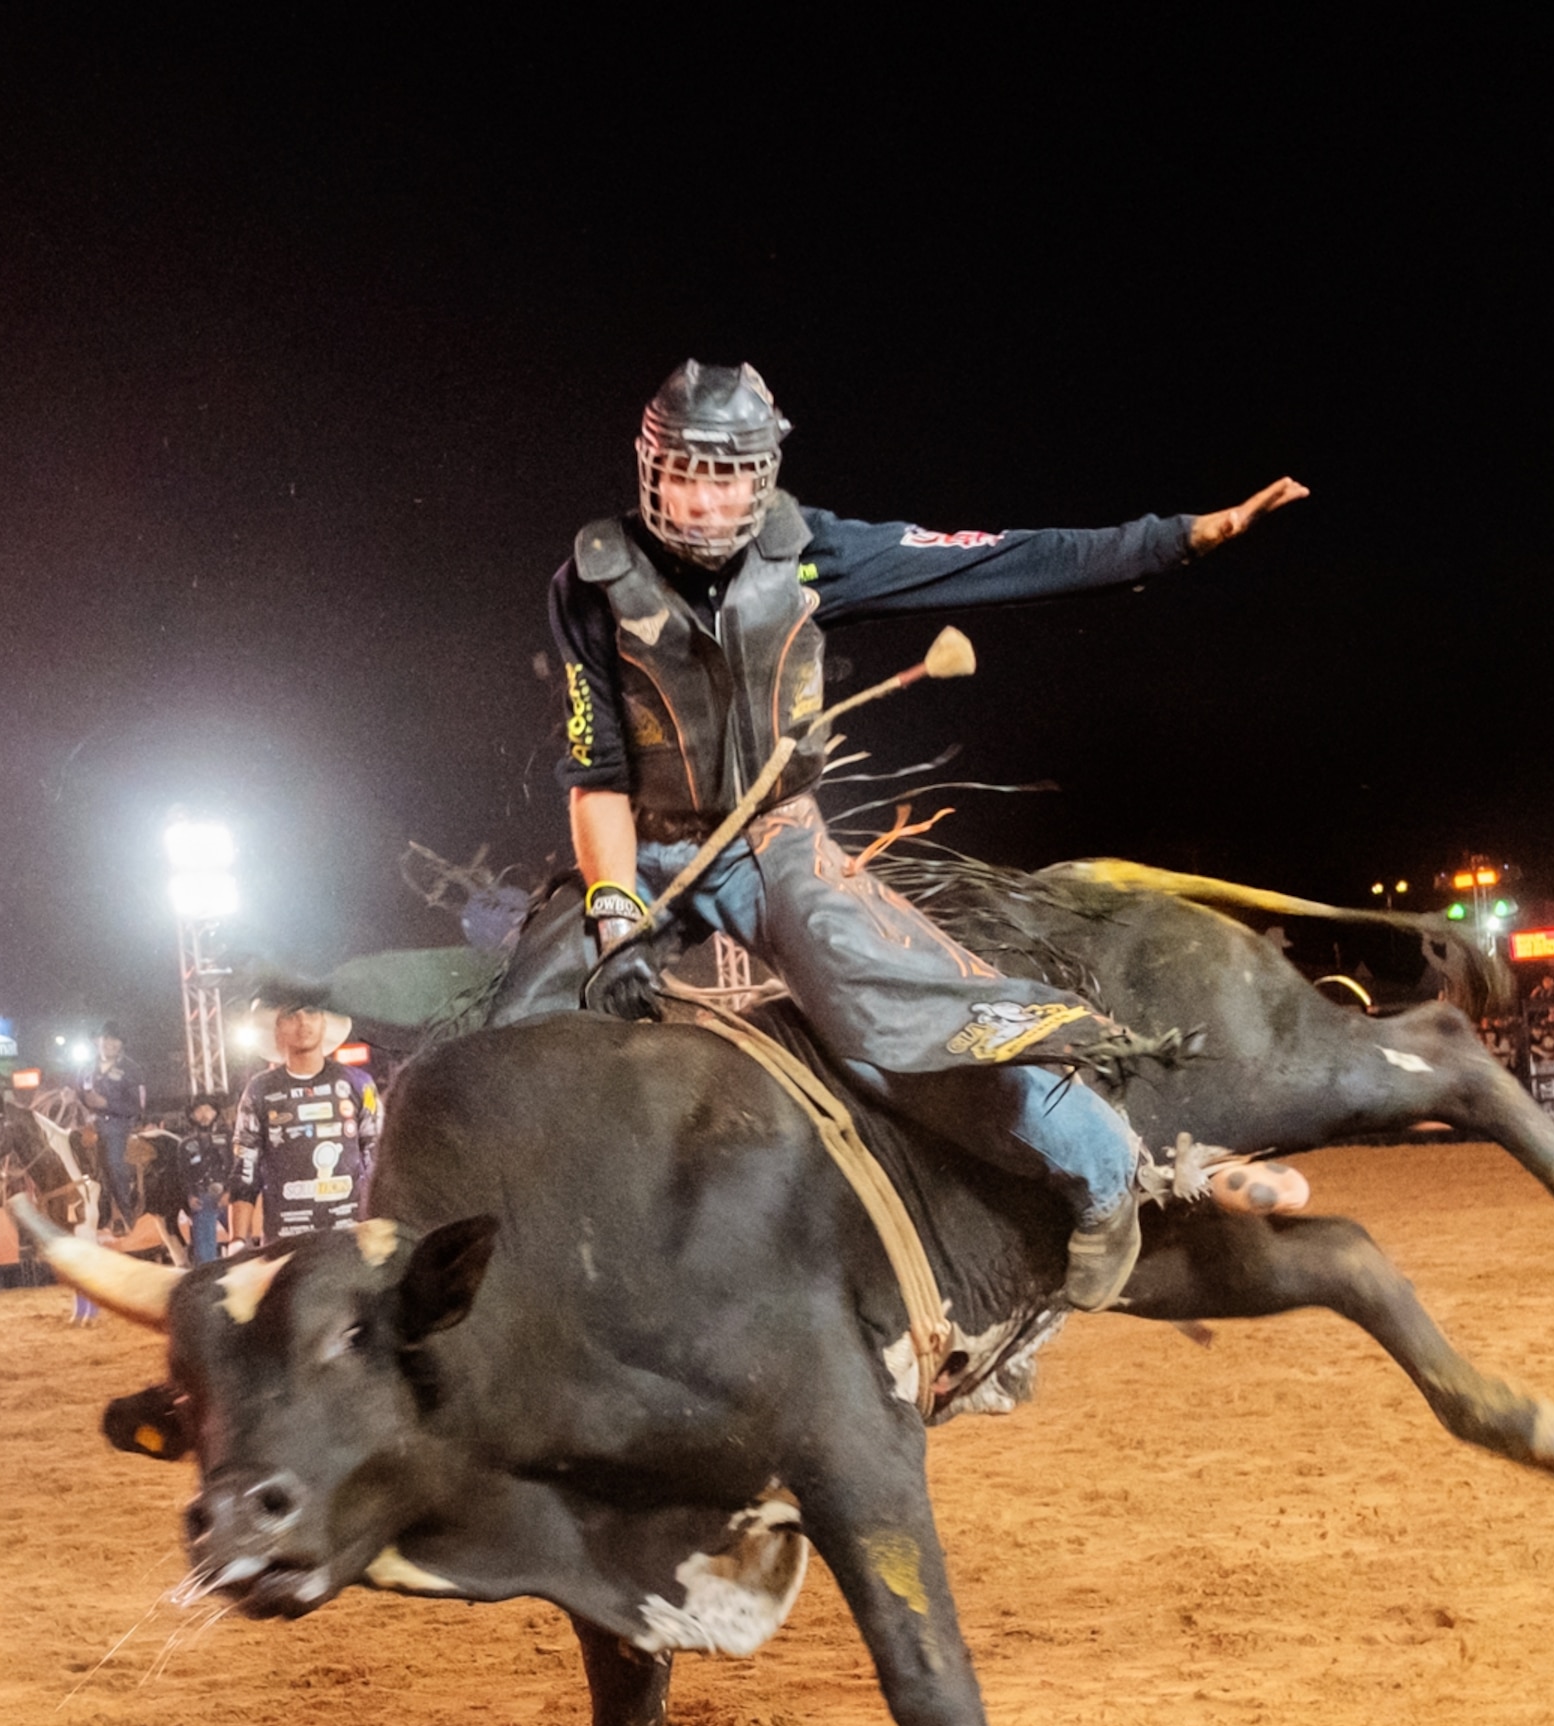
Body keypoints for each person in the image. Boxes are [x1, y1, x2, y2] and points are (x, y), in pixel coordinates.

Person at [553, 360, 1305, 1311]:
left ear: (762, 477)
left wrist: (1175, 543)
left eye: (727, 477)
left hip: (769, 842)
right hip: (641, 853)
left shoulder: (811, 554)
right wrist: (615, 917)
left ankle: (1100, 1166)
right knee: (542, 1006)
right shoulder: (590, 584)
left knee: (880, 1014)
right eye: (687, 477)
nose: (705, 504)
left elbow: (999, 556)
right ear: (651, 473)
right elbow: (597, 770)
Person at [227, 987, 381, 1247]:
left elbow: (378, 1160)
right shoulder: (259, 1090)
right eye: (291, 1015)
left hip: (350, 1243)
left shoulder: (359, 1083)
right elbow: (245, 1168)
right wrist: (237, 1242)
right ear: (278, 1028)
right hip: (284, 1246)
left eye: (311, 1012)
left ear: (323, 1022)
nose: (303, 1022)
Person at [81, 1023, 146, 1233]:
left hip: (119, 1123)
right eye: (106, 1039)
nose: (110, 1044)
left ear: (121, 1044)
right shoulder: (86, 1069)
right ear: (96, 1041)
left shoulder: (131, 1069)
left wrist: (107, 1104)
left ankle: (126, 1214)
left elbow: (138, 1105)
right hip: (91, 1123)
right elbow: (81, 1094)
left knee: (113, 1162)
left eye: (115, 1040)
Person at [174, 1097, 229, 1264]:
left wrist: (230, 1192)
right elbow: (182, 1173)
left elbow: (237, 1166)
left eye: (208, 1110)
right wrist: (189, 1196)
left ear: (215, 1113)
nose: (204, 1114)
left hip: (227, 1195)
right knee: (205, 1253)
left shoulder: (229, 1138)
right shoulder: (186, 1144)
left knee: (241, 1241)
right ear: (192, 1115)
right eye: (199, 1111)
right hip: (202, 1197)